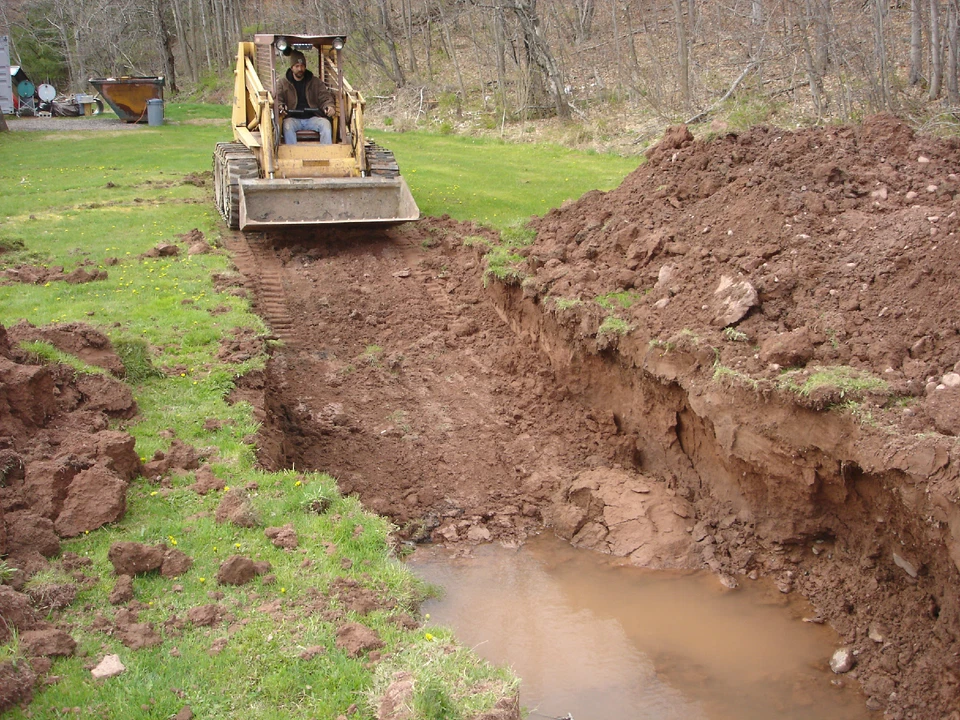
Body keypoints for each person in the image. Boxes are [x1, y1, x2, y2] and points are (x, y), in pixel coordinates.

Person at [276, 50, 336, 144]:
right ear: (291, 68)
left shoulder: (315, 82)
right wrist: (281, 107)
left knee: (325, 124)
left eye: (302, 66)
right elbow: (278, 99)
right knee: (287, 125)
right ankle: (292, 154)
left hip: (312, 118)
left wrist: (329, 106)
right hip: (292, 118)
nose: (300, 69)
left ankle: (326, 154)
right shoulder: (282, 83)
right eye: (297, 66)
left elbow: (325, 97)